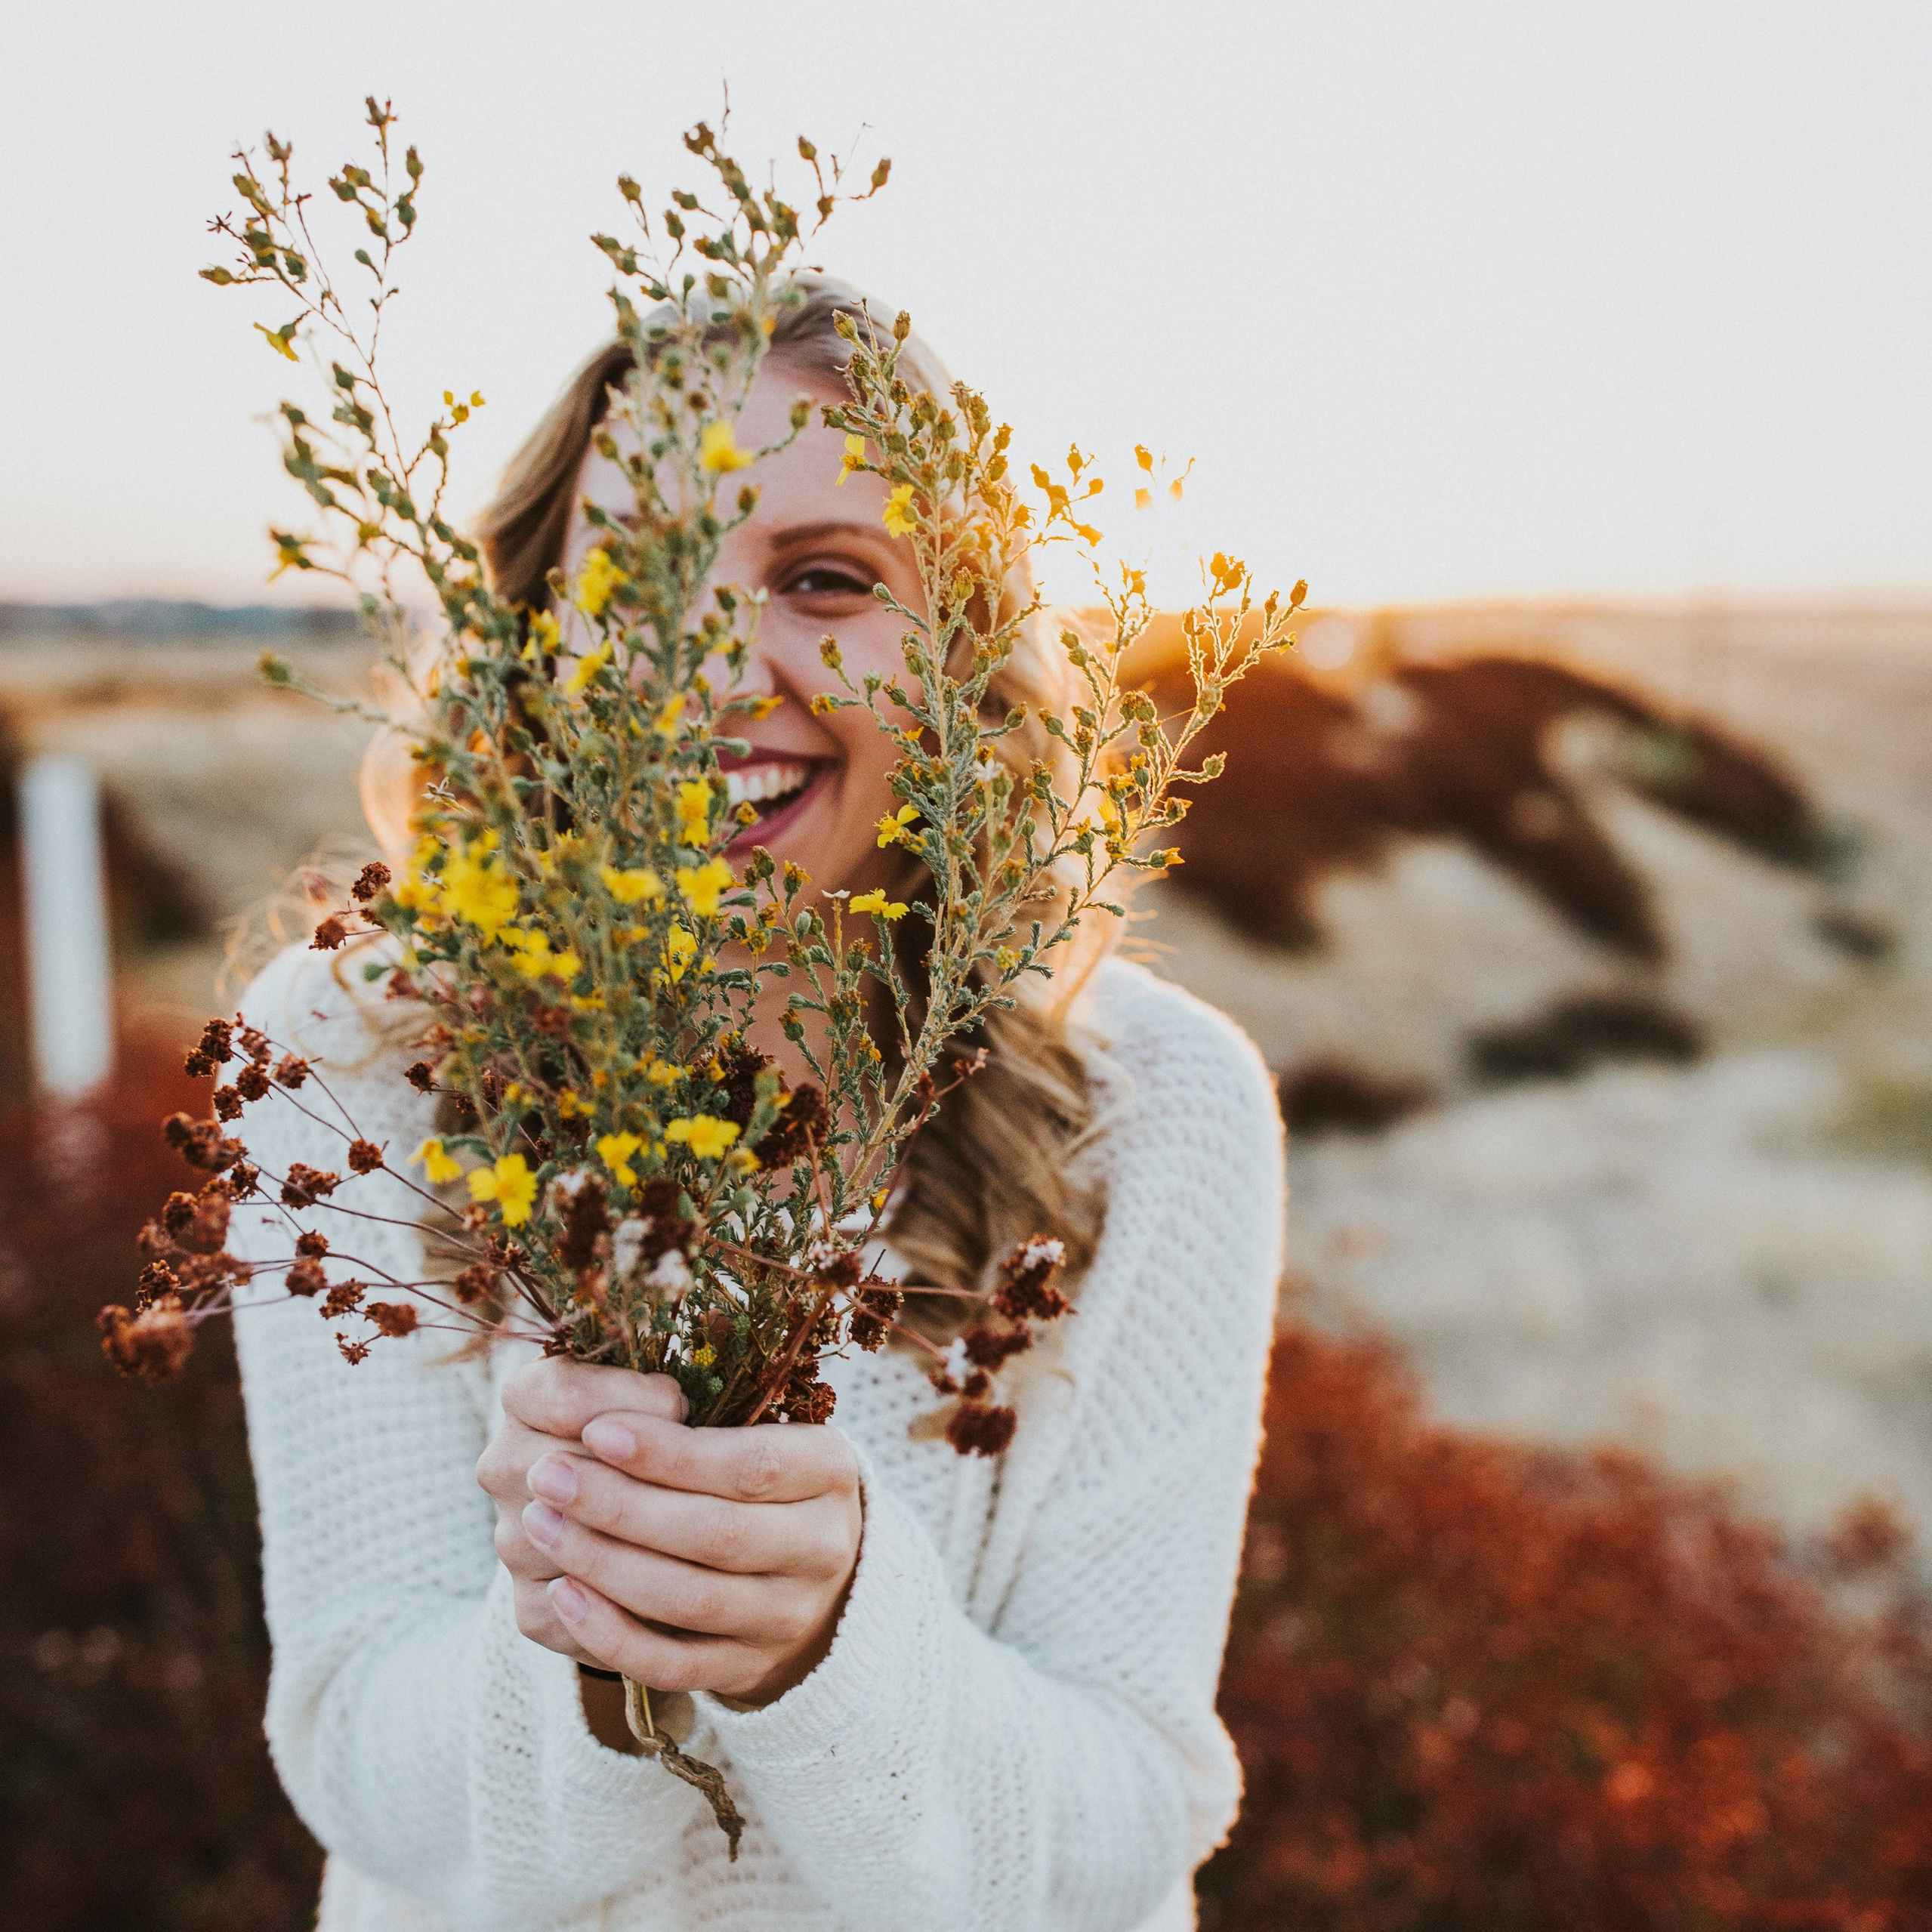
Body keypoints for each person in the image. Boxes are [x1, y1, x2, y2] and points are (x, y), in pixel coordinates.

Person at [230, 277, 1285, 1932]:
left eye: (823, 579)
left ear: (957, 648)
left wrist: (834, 1640)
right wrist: (585, 1627)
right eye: (639, 577)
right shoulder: (348, 1058)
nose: (717, 664)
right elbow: (360, 1761)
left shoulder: (1156, 1110)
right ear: (534, 646)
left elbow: (1130, 1814)